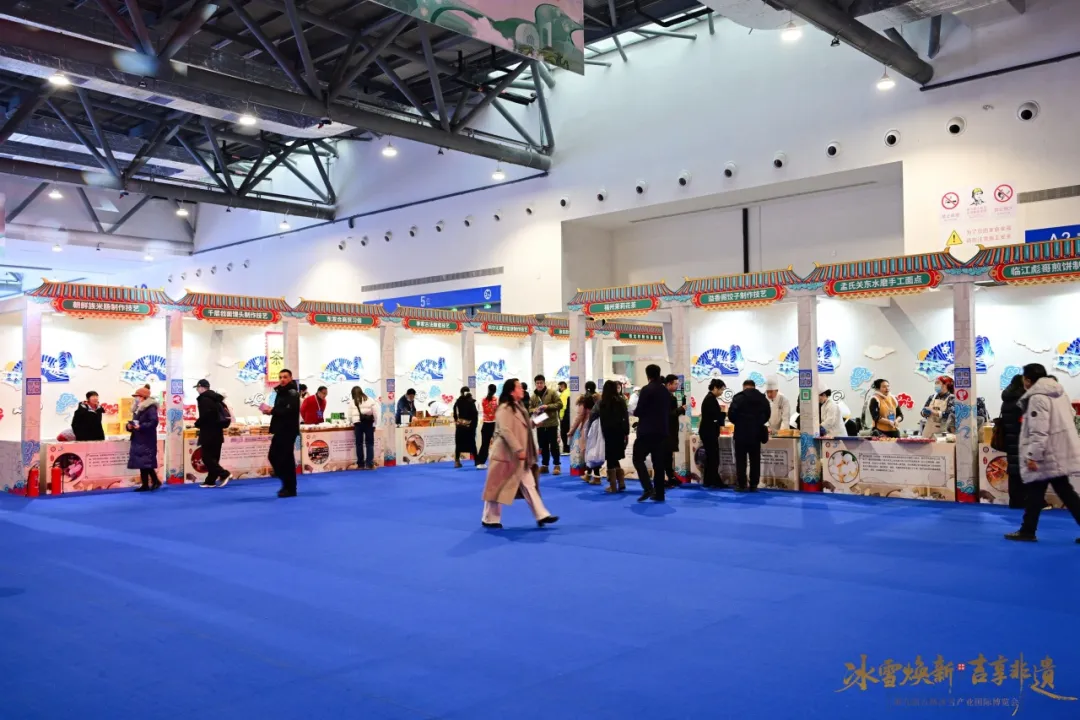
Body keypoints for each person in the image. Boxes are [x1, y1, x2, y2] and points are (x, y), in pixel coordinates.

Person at [1004, 363, 1080, 542]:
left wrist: (1033, 456)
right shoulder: (1059, 393)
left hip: (1046, 454)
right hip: (1056, 450)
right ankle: (1027, 530)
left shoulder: (1037, 398)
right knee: (1052, 493)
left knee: (1043, 493)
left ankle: (1027, 530)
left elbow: (1039, 431)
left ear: (1028, 380)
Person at [481, 378, 559, 529]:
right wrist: (518, 449)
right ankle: (489, 518)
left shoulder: (519, 406)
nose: (522, 389)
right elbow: (505, 430)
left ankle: (541, 515)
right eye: (518, 387)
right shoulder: (504, 408)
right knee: (496, 488)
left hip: (519, 456)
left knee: (529, 485)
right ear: (511, 391)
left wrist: (535, 421)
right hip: (505, 455)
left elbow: (524, 425)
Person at [632, 364, 671, 502]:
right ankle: (659, 493)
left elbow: (639, 410)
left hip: (647, 431)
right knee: (659, 464)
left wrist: (635, 412)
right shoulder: (665, 391)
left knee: (637, 458)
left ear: (647, 375)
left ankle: (648, 487)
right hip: (662, 432)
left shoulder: (646, 389)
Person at [261, 369, 300, 498]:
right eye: (280, 377)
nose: (282, 379)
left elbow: (289, 410)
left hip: (288, 430)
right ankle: (287, 484)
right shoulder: (281, 392)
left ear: (290, 378)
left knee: (285, 459)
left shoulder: (292, 393)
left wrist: (272, 410)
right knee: (274, 456)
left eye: (285, 377)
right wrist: (271, 411)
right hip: (280, 429)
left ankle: (289, 487)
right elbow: (281, 409)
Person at [728, 378, 772, 492]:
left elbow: (731, 415)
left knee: (741, 460)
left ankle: (742, 484)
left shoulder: (738, 397)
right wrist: (758, 422)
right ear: (754, 386)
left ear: (744, 387)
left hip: (741, 433)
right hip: (756, 433)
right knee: (755, 460)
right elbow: (767, 414)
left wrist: (739, 422)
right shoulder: (762, 398)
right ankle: (753, 485)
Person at [194, 379, 231, 488]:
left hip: (208, 432)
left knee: (206, 457)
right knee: (214, 457)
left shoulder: (204, 399)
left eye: (197, 388)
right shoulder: (216, 398)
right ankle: (210, 481)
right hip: (218, 432)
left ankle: (224, 474)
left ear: (202, 387)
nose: (197, 390)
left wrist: (197, 423)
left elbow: (206, 416)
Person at [597, 380, 629, 493]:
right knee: (615, 458)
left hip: (608, 433)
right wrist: (626, 432)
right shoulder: (621, 400)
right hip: (619, 433)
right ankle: (621, 482)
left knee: (610, 459)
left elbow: (602, 420)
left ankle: (613, 486)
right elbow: (625, 417)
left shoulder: (603, 403)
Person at [1000, 374, 1026, 509]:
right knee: (1022, 470)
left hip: (1009, 438)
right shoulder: (1022, 401)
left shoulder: (1006, 400)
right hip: (1022, 438)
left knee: (1013, 469)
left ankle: (1015, 501)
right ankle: (1022, 500)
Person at [128, 385, 161, 492]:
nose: (136, 398)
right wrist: (129, 426)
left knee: (146, 462)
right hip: (139, 438)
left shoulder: (150, 408)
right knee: (143, 463)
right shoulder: (138, 408)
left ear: (143, 397)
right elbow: (135, 422)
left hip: (147, 439)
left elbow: (153, 422)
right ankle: (148, 484)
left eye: (137, 396)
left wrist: (141, 427)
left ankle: (152, 482)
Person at [529, 374, 563, 475]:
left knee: (554, 446)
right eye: (537, 383)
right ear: (535, 384)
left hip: (552, 423)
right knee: (543, 446)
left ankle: (557, 465)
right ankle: (545, 465)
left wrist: (547, 407)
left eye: (541, 383)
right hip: (540, 424)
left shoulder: (552, 393)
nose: (539, 385)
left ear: (544, 383)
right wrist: (534, 410)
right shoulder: (533, 396)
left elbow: (560, 404)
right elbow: (529, 409)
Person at [699, 379, 726, 488]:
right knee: (713, 457)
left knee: (711, 457)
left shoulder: (710, 398)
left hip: (708, 431)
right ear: (715, 388)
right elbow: (715, 416)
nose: (722, 392)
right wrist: (723, 414)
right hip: (709, 432)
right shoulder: (710, 400)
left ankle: (709, 480)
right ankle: (714, 481)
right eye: (721, 390)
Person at [568, 386, 598, 484]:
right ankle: (593, 475)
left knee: (586, 450)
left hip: (586, 427)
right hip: (597, 427)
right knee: (595, 450)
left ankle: (589, 474)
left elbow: (579, 417)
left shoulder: (583, 400)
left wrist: (571, 431)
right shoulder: (598, 400)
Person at [346, 386, 378, 470]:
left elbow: (349, 415)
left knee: (359, 444)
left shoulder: (352, 402)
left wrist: (351, 422)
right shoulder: (370, 400)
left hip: (358, 424)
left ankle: (360, 464)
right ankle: (369, 464)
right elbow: (375, 413)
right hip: (368, 423)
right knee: (369, 443)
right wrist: (375, 424)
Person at [663, 374, 687, 488]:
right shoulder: (666, 397)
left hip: (670, 430)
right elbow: (668, 414)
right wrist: (680, 409)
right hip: (667, 430)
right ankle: (667, 478)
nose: (677, 386)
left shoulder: (669, 396)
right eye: (675, 384)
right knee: (666, 455)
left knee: (668, 455)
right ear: (669, 384)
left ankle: (671, 476)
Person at [453, 386, 478, 468]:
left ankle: (457, 461)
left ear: (461, 393)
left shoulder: (458, 402)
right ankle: (476, 461)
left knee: (458, 443)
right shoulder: (471, 401)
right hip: (470, 426)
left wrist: (457, 421)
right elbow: (475, 414)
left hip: (460, 426)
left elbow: (455, 413)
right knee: (472, 443)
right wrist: (474, 425)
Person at [475, 384, 498, 469]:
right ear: (495, 390)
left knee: (484, 444)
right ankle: (498, 463)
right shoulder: (497, 400)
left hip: (486, 424)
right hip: (495, 424)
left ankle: (480, 463)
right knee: (497, 444)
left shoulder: (483, 399)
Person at [558, 380, 571, 452]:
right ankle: (569, 447)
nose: (559, 388)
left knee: (564, 432)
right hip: (570, 415)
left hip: (565, 416)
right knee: (569, 431)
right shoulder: (569, 392)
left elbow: (562, 407)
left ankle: (566, 448)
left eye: (560, 387)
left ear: (563, 386)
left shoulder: (564, 394)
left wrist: (561, 416)